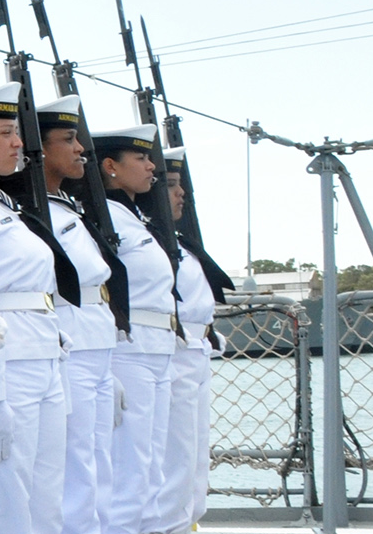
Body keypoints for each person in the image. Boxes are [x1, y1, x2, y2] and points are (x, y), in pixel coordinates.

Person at [0, 86, 67, 534]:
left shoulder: (7, 205)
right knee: (8, 491)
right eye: (5, 132)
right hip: (12, 357)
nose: (17, 144)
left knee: (47, 489)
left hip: (44, 352)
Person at [37, 96, 119, 534]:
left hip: (98, 340)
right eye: (68, 140)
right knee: (75, 468)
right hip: (72, 340)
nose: (80, 149)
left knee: (100, 460)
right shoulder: (35, 213)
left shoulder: (67, 206)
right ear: (41, 149)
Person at [93, 125, 180, 534]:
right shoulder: (105, 216)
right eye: (141, 160)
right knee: (130, 467)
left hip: (158, 347)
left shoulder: (136, 217)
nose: (152, 168)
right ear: (110, 166)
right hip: (130, 350)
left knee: (151, 466)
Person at [155, 156, 217, 534]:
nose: (181, 195)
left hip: (197, 350)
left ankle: (188, 523)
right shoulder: (147, 239)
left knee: (194, 461)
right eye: (171, 185)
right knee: (172, 461)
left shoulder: (179, 241)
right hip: (171, 353)